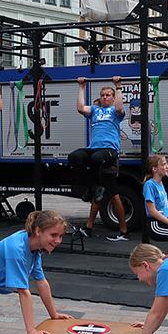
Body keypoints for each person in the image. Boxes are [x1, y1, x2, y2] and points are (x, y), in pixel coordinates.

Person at [70, 75, 129, 242]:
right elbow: (81, 108)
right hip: (94, 150)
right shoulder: (95, 111)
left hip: (109, 153)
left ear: (112, 97)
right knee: (75, 156)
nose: (105, 97)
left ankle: (123, 231)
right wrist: (81, 86)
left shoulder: (116, 112)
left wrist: (118, 86)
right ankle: (92, 190)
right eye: (102, 95)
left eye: (108, 95)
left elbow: (119, 108)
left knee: (113, 194)